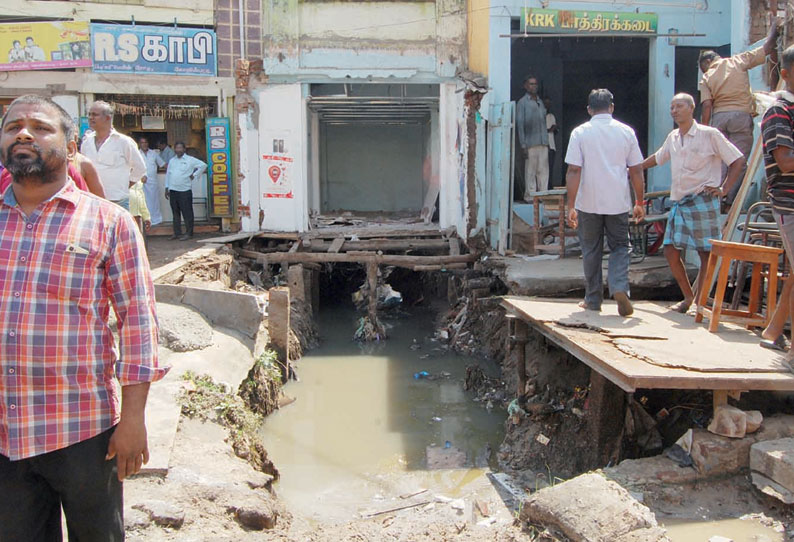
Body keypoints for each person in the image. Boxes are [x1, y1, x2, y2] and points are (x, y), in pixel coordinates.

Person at [0, 94, 166, 540]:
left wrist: (133, 420)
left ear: (70, 145)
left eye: (40, 127)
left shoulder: (108, 222)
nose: (23, 134)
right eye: (13, 126)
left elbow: (138, 323)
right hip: (4, 434)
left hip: (82, 430)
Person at [641, 93, 745, 313]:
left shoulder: (709, 134)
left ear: (691, 108)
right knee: (670, 250)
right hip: (679, 202)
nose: (674, 110)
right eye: (671, 107)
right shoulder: (673, 137)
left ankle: (700, 301)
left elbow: (737, 160)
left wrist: (724, 189)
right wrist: (635, 167)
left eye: (678, 106)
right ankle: (688, 297)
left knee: (705, 252)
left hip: (702, 199)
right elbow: (659, 157)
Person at [565, 89, 645, 316]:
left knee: (591, 249)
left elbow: (573, 169)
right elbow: (636, 170)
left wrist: (571, 206)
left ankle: (592, 300)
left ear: (589, 109)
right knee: (620, 246)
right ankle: (619, 287)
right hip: (618, 202)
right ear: (612, 107)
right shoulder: (626, 132)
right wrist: (639, 201)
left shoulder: (579, 133)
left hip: (587, 202)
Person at [699, 19, 780, 204]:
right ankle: (728, 198)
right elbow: (766, 48)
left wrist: (703, 132)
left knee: (720, 161)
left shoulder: (706, 77)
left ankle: (717, 198)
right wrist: (775, 28)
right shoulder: (737, 61)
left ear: (708, 62)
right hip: (740, 117)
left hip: (719, 119)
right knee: (739, 161)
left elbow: (707, 106)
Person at [761, 44, 794, 367]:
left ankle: (772, 332)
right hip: (789, 204)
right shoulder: (778, 112)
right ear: (785, 74)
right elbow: (784, 161)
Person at [80, 100, 146, 209]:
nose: (91, 118)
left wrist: (125, 185)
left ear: (107, 118)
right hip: (92, 202)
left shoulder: (124, 142)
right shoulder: (86, 142)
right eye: (89, 114)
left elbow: (140, 168)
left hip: (117, 202)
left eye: (95, 115)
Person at [165, 141, 206, 240]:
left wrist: (194, 175)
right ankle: (177, 233)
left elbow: (203, 165)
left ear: (184, 149)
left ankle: (189, 233)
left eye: (180, 148)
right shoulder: (172, 161)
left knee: (187, 213)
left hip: (184, 190)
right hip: (173, 190)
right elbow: (168, 174)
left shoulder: (190, 160)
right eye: (176, 148)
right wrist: (167, 187)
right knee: (175, 213)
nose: (178, 150)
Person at [516, 75, 549, 199]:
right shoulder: (522, 103)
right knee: (530, 171)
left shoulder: (540, 102)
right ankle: (530, 197)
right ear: (525, 86)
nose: (534, 86)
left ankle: (543, 196)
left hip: (543, 142)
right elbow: (520, 124)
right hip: (530, 143)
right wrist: (523, 145)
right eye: (531, 84)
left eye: (535, 84)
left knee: (543, 171)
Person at [138, 136, 163, 225]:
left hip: (153, 182)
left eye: (146, 142)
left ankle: (156, 220)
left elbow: (162, 164)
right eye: (142, 142)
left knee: (154, 202)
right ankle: (146, 221)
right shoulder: (137, 154)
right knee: (143, 202)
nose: (144, 144)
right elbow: (132, 167)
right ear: (139, 144)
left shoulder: (153, 153)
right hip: (141, 182)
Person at [544, 97, 558, 188]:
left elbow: (554, 128)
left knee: (550, 168)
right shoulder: (539, 116)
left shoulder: (551, 116)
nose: (547, 106)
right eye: (546, 103)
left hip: (551, 146)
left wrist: (546, 130)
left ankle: (549, 186)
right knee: (542, 169)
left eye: (549, 104)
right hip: (542, 145)